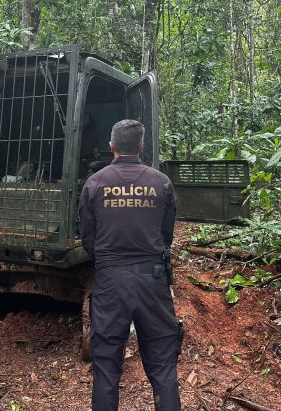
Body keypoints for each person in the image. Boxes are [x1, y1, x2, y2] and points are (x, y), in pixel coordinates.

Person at [78, 119, 182, 411]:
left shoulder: (95, 183)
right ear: (141, 146)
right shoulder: (161, 183)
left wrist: (110, 263)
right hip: (153, 282)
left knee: (106, 369)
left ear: (112, 147)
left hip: (111, 283)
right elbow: (166, 235)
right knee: (163, 368)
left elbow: (88, 238)